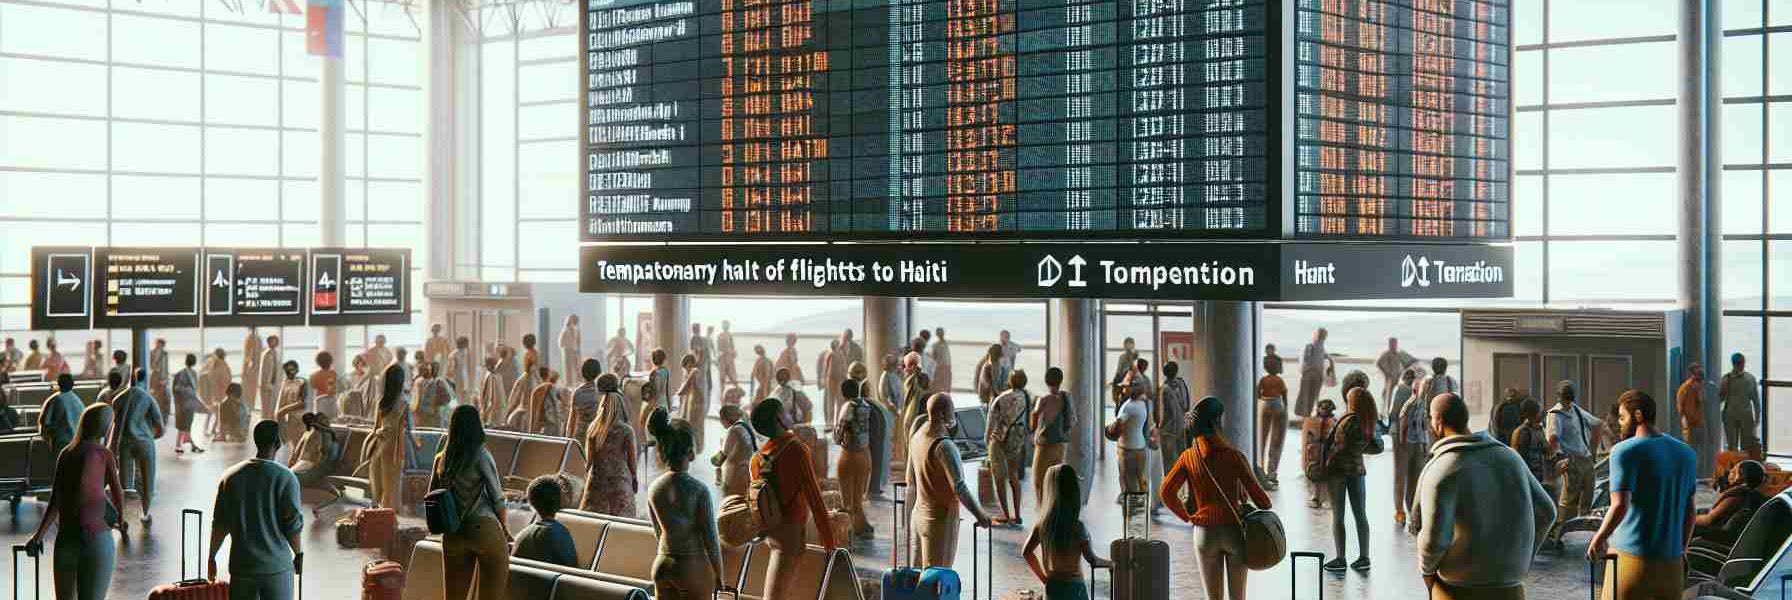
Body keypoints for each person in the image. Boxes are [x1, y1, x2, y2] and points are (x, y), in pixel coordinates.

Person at [1411, 392, 1556, 600]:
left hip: (1458, 589)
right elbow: (1547, 512)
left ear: (1438, 422)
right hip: (1510, 587)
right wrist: (1523, 560)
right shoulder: (1510, 457)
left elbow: (1434, 541)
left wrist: (1428, 572)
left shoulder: (1441, 470)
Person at [1586, 390, 1698, 600]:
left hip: (1631, 561)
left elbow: (1620, 505)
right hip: (1672, 564)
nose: (1619, 423)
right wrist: (1682, 550)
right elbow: (1690, 510)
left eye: (1622, 417)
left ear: (1637, 415)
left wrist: (1599, 537)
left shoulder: (1624, 451)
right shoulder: (1686, 453)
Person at [1161, 397, 1273, 600]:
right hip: (1234, 531)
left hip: (1204, 532)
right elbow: (1264, 502)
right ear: (1217, 422)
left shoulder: (1188, 456)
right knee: (1238, 597)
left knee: (1213, 598)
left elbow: (1166, 492)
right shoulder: (1234, 456)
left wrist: (1187, 516)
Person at [24, 403, 127, 600]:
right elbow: (117, 491)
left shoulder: (66, 453)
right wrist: (121, 520)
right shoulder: (104, 454)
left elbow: (56, 500)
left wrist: (38, 536)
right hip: (96, 537)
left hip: (66, 538)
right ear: (106, 427)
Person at [203, 420, 305, 600]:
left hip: (242, 568)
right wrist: (298, 554)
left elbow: (220, 524)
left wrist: (212, 556)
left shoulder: (231, 477)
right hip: (276, 569)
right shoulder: (286, 478)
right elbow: (292, 526)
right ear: (278, 443)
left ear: (256, 440)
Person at [749, 397, 837, 598]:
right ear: (780, 418)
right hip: (791, 532)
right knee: (776, 595)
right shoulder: (796, 448)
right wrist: (828, 538)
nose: (790, 415)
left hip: (771, 529)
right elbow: (813, 495)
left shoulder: (759, 457)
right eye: (786, 412)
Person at [433, 405, 513, 600]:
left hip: (453, 533)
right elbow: (498, 500)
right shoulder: (481, 455)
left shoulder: (442, 459)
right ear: (477, 426)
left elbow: (432, 497)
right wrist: (505, 529)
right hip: (483, 528)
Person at [645, 408, 725, 599]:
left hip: (662, 563)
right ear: (690, 452)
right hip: (691, 567)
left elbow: (658, 531)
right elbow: (711, 540)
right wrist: (720, 576)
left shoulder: (654, 488)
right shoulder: (698, 490)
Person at [906, 393, 994, 566]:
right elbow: (959, 487)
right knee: (937, 577)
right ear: (943, 415)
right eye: (951, 411)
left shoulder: (917, 435)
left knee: (916, 576)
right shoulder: (945, 446)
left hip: (917, 515)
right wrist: (980, 515)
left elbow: (910, 479)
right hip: (940, 520)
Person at [1023, 464, 1111, 600]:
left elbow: (1027, 552)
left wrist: (1044, 579)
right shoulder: (1077, 527)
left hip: (1053, 587)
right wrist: (1112, 564)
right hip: (1075, 589)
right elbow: (1092, 560)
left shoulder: (1043, 525)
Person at [1544, 380, 1604, 550]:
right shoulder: (1555, 414)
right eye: (1565, 397)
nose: (1568, 401)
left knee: (1587, 501)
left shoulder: (1576, 409)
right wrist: (1557, 462)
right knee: (1568, 501)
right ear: (1559, 396)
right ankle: (1555, 536)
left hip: (1585, 458)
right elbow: (1553, 439)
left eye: (1570, 397)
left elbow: (1597, 424)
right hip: (1571, 459)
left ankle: (1585, 540)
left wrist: (1592, 451)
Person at [1323, 387, 1376, 571]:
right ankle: (1364, 557)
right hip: (1357, 470)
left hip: (1337, 471)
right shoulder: (1367, 421)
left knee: (1338, 516)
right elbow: (1374, 446)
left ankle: (1340, 558)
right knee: (1360, 514)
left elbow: (1333, 444)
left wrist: (1326, 462)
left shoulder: (1346, 420)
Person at [1687, 459, 1769, 572]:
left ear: (1739, 477)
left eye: (1733, 471)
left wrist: (1686, 517)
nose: (1729, 472)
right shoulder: (1752, 495)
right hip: (1732, 540)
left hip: (1722, 540)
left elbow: (1708, 520)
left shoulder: (1737, 495)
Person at [110, 368, 162, 524]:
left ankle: (121, 517)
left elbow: (116, 426)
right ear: (144, 380)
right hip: (145, 442)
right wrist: (149, 436)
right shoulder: (147, 398)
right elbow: (160, 427)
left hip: (124, 443)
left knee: (124, 484)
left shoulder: (117, 399)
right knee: (147, 480)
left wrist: (112, 448)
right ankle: (145, 514)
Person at [580, 383, 639, 518]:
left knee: (595, 523)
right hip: (620, 484)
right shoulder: (626, 431)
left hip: (597, 485)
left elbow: (588, 463)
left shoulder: (593, 429)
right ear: (620, 408)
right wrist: (634, 479)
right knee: (621, 525)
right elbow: (632, 462)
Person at [987, 370, 1031, 526]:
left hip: (999, 438)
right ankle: (1017, 515)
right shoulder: (1027, 397)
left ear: (1009, 381)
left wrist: (987, 442)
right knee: (1013, 475)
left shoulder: (1001, 398)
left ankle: (1005, 515)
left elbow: (990, 424)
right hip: (1016, 438)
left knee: (999, 477)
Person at [831, 379, 875, 537]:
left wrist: (836, 436)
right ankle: (861, 526)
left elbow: (838, 434)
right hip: (865, 453)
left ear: (844, 393)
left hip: (849, 455)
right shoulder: (866, 405)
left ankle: (847, 531)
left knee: (846, 500)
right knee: (858, 498)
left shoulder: (848, 406)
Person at [369, 365, 416, 510]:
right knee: (393, 486)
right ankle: (390, 518)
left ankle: (379, 517)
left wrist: (380, 433)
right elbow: (404, 431)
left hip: (379, 447)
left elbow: (375, 428)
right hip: (394, 448)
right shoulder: (404, 404)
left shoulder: (381, 403)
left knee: (379, 485)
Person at [512, 476, 578, 567]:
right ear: (559, 501)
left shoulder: (521, 536)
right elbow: (572, 570)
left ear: (531, 502)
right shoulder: (562, 534)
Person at [1392, 369, 1428, 526]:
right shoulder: (1405, 395)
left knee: (1414, 477)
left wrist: (1425, 443)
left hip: (1416, 441)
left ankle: (1411, 511)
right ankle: (1400, 511)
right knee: (1402, 477)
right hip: (1405, 441)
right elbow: (1400, 419)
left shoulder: (1421, 402)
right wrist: (1401, 441)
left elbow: (1423, 424)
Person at [1032, 367, 1074, 504]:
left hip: (1045, 446)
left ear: (1046, 381)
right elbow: (1073, 420)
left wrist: (1033, 430)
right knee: (1056, 481)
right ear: (1060, 380)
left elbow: (1034, 414)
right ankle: (1055, 508)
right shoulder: (1067, 397)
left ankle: (1042, 511)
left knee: (1039, 481)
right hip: (1061, 445)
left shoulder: (1044, 399)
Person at [1107, 383, 1154, 502]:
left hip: (1127, 449)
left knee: (1128, 482)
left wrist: (1110, 432)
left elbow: (1118, 425)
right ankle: (1142, 508)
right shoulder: (1141, 404)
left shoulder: (1129, 406)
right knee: (1141, 480)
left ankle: (1132, 509)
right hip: (1139, 447)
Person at [1511, 398, 1556, 503]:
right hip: (1528, 479)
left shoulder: (1538, 429)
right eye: (1540, 410)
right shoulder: (1523, 432)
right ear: (1534, 413)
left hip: (1538, 478)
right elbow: (1520, 459)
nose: (1542, 413)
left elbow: (1547, 451)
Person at [1719, 353, 1760, 454]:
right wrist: (1757, 419)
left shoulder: (1727, 378)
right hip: (1737, 416)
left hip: (1735, 416)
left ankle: (1735, 467)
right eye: (1741, 363)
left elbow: (1719, 399)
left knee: (1739, 447)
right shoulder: (1748, 378)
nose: (1742, 365)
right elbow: (1756, 401)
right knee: (1736, 447)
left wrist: (1757, 418)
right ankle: (1738, 467)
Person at [1300, 398, 1337, 509]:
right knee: (1315, 476)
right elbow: (1306, 439)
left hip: (1328, 453)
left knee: (1328, 476)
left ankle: (1327, 499)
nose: (1324, 410)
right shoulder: (1311, 421)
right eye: (1322, 407)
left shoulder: (1334, 422)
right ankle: (1316, 497)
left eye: (1327, 407)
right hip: (1315, 453)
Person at [1158, 361, 1192, 481]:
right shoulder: (1182, 383)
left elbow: (1163, 414)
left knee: (1169, 463)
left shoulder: (1164, 389)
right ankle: (1183, 490)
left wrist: (1159, 428)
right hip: (1180, 427)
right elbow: (1187, 405)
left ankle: (1170, 491)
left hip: (1168, 430)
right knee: (1181, 460)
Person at [713, 403, 755, 498]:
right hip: (748, 472)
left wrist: (713, 460)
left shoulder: (733, 431)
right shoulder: (745, 426)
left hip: (735, 475)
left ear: (724, 419)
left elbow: (721, 457)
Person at [289, 413, 341, 488]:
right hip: (310, 466)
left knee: (288, 478)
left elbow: (296, 454)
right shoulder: (321, 434)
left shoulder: (318, 434)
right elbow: (296, 454)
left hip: (313, 467)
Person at [674, 352, 710, 452]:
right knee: (690, 425)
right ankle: (693, 447)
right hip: (690, 400)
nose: (686, 368)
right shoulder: (689, 372)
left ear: (692, 363)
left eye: (688, 365)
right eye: (685, 366)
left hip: (696, 402)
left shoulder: (695, 372)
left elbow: (685, 389)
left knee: (695, 425)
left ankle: (696, 448)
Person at [39, 373, 84, 451]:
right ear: (73, 384)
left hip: (61, 443)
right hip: (78, 443)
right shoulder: (79, 402)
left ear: (58, 383)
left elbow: (45, 423)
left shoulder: (55, 400)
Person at [273, 360, 311, 447]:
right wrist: (279, 415)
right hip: (288, 421)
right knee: (292, 447)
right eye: (287, 370)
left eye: (292, 369)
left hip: (300, 419)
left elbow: (303, 403)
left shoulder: (302, 382)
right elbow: (281, 401)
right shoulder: (285, 383)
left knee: (299, 446)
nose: (289, 372)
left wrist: (284, 410)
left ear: (297, 370)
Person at [173, 353, 205, 454]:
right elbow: (178, 388)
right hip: (184, 403)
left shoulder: (192, 373)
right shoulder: (183, 373)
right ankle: (179, 445)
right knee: (183, 425)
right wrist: (189, 391)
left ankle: (188, 443)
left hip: (189, 403)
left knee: (187, 424)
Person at [1374, 338, 1416, 413]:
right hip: (1389, 379)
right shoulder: (1386, 353)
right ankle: (1384, 413)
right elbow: (1378, 363)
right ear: (1389, 344)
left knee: (1397, 396)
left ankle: (1392, 412)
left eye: (1395, 343)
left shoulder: (1398, 353)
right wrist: (1386, 372)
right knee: (1387, 396)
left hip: (1398, 378)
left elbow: (1407, 363)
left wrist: (1402, 371)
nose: (1393, 345)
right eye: (1392, 344)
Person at [1294, 328, 1329, 418]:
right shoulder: (1310, 346)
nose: (1323, 337)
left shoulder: (1321, 347)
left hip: (1316, 375)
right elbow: (1307, 360)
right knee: (1306, 395)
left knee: (1313, 396)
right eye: (1321, 335)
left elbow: (1322, 358)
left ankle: (1308, 415)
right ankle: (1305, 416)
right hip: (1309, 374)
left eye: (1324, 335)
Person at [1677, 361, 1710, 451]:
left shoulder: (1700, 388)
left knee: (1701, 453)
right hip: (1690, 426)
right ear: (1692, 374)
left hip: (1700, 425)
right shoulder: (1685, 388)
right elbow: (1681, 409)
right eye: (1697, 374)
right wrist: (1686, 426)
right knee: (1690, 451)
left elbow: (1703, 405)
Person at [202, 348, 232, 436]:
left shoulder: (215, 364)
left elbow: (211, 377)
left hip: (217, 392)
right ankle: (211, 429)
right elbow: (227, 378)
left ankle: (210, 429)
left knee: (214, 412)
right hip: (220, 392)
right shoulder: (221, 365)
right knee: (217, 413)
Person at [310, 352, 339, 420]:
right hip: (332, 400)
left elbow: (312, 388)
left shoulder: (314, 375)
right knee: (333, 422)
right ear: (330, 361)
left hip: (320, 400)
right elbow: (336, 388)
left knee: (321, 423)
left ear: (318, 362)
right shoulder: (333, 374)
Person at [148, 338, 171, 423]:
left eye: (160, 344)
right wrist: (155, 369)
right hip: (155, 379)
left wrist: (166, 379)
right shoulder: (151, 353)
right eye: (157, 343)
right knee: (155, 398)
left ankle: (163, 417)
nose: (158, 345)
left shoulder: (165, 354)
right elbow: (150, 365)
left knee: (163, 398)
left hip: (163, 379)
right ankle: (156, 417)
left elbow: (166, 367)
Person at [716, 321, 738, 390]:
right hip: (722, 357)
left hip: (729, 357)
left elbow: (732, 347)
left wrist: (733, 354)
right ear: (722, 326)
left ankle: (737, 390)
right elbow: (718, 348)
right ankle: (722, 392)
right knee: (722, 377)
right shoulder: (720, 335)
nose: (725, 327)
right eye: (724, 325)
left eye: (727, 325)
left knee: (732, 376)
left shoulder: (730, 335)